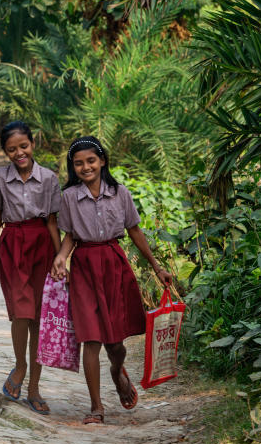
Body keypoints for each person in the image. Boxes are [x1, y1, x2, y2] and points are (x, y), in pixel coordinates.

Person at [50, 136, 172, 425]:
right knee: (90, 339)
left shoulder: (120, 193)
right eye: (78, 163)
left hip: (114, 265)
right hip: (84, 268)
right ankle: (96, 407)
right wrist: (61, 258)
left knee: (115, 344)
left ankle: (117, 372)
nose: (85, 167)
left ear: (102, 161)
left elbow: (135, 231)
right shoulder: (68, 197)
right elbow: (69, 236)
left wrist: (157, 267)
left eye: (91, 160)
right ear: (72, 168)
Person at [0, 121, 61, 414]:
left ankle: (34, 388)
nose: (19, 153)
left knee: (39, 316)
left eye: (23, 146)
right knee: (20, 312)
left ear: (33, 144)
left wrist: (60, 258)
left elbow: (52, 222)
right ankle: (20, 365)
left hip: (42, 245)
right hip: (13, 244)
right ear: (5, 152)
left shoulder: (49, 178)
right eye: (12, 149)